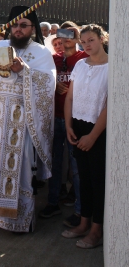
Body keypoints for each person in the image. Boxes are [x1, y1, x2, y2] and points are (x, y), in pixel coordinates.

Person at [0, 5, 56, 232]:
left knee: (20, 171)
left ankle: (19, 220)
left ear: (32, 28)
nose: (18, 30)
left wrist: (25, 71)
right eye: (15, 25)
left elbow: (48, 85)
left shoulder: (41, 52)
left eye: (24, 25)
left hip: (22, 123)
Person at [62, 24, 108, 249]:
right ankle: (83, 223)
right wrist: (69, 126)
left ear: (102, 38)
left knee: (98, 181)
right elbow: (70, 97)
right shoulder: (80, 64)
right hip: (77, 127)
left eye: (91, 40)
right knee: (84, 180)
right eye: (84, 41)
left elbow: (109, 106)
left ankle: (97, 230)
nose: (87, 45)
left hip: (98, 130)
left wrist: (92, 136)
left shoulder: (113, 66)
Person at [39, 22, 87, 227]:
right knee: (54, 163)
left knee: (76, 166)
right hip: (54, 117)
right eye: (61, 36)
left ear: (77, 38)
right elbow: (40, 80)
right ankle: (53, 201)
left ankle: (80, 209)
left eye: (70, 35)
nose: (65, 40)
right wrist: (52, 83)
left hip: (75, 119)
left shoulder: (84, 59)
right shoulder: (53, 60)